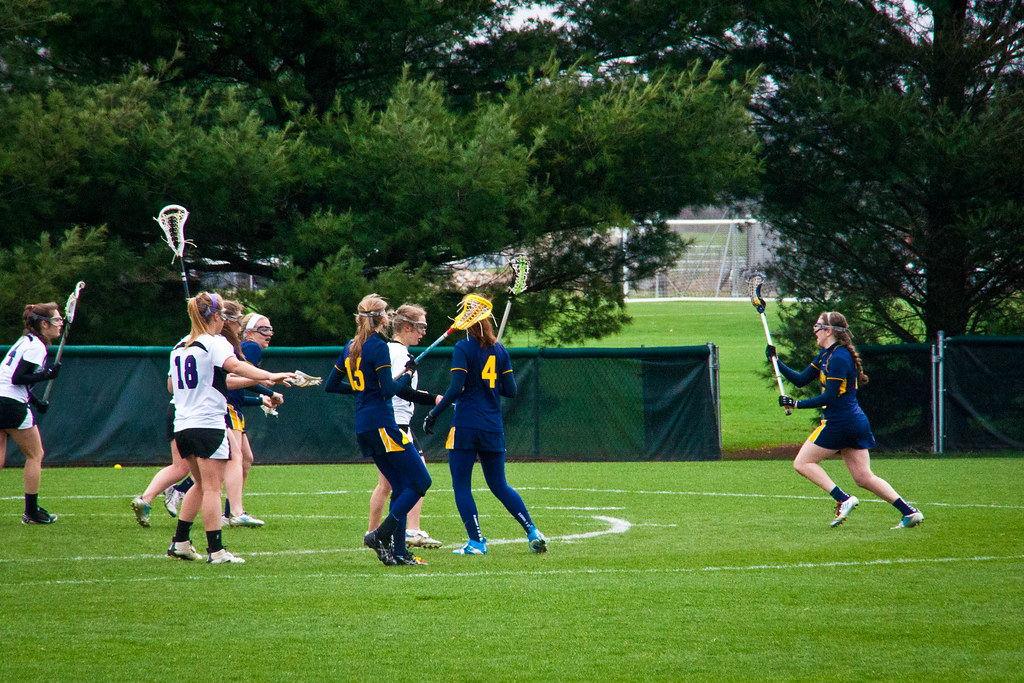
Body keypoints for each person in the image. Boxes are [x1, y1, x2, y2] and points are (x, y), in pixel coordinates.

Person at [166, 292, 294, 563]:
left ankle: (180, 542)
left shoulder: (178, 346)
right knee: (212, 488)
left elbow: (171, 386)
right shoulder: (215, 342)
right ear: (215, 317)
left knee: (199, 486)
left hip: (182, 424)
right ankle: (217, 551)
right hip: (208, 424)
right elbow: (235, 366)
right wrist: (271, 376)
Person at [768, 311, 924, 529]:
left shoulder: (839, 358)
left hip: (839, 422)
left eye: (817, 326)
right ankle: (909, 512)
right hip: (854, 422)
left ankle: (842, 498)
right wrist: (776, 361)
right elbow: (801, 380)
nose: (814, 330)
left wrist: (796, 404)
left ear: (829, 331)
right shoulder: (825, 355)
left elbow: (829, 397)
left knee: (802, 463)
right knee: (863, 477)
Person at [423, 295, 547, 555]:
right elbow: (511, 390)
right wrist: (490, 381)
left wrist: (434, 412)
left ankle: (477, 542)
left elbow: (456, 387)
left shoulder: (463, 348)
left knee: (461, 486)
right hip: (492, 425)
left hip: (466, 425)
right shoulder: (499, 350)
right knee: (500, 485)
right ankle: (533, 531)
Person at [325, 294, 432, 566]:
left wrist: (362, 391)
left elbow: (332, 384)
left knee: (399, 485)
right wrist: (407, 375)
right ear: (383, 319)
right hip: (383, 425)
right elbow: (388, 391)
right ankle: (380, 535)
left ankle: (398, 553)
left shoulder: (351, 346)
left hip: (364, 426)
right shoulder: (377, 347)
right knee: (421, 481)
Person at [368, 304, 442, 549]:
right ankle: (392, 532)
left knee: (391, 483)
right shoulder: (399, 353)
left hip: (397, 422)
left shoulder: (393, 351)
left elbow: (400, 389)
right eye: (420, 327)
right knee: (410, 480)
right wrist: (432, 398)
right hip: (395, 423)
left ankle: (386, 532)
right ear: (407, 327)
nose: (423, 333)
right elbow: (401, 391)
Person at [0, 302, 63, 524]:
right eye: (56, 320)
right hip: (10, 404)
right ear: (44, 324)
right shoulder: (37, 346)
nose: (60, 324)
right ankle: (31, 512)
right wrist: (46, 375)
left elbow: (14, 379)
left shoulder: (25, 341)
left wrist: (35, 400)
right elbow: (18, 378)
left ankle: (32, 511)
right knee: (35, 455)